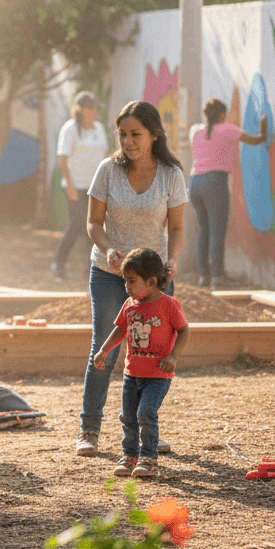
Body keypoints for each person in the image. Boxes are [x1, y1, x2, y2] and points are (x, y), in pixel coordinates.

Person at [77, 100, 186, 458]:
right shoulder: (107, 170)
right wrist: (108, 248)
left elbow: (176, 227)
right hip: (110, 274)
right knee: (104, 350)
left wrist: (170, 262)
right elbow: (93, 222)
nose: (128, 141)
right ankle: (89, 429)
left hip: (155, 279)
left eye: (136, 134)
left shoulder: (171, 174)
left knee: (155, 354)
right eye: (122, 134)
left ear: (154, 134)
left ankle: (147, 431)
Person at [93, 248, 190, 479]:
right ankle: (129, 456)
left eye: (132, 281)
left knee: (146, 412)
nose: (127, 286)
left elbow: (184, 330)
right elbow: (120, 328)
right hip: (131, 374)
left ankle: (148, 458)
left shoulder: (169, 305)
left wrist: (173, 356)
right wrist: (104, 349)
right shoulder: (130, 304)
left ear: (152, 281)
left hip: (157, 375)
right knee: (127, 416)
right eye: (125, 280)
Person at [188, 98, 268, 288]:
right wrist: (264, 129)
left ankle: (203, 276)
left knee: (203, 230)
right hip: (215, 182)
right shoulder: (227, 129)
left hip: (194, 183)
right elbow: (255, 140)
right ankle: (217, 277)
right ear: (222, 115)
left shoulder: (195, 131)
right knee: (217, 231)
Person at [52, 91, 107, 280]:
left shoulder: (99, 128)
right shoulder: (70, 129)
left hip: (95, 187)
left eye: (95, 108)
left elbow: (105, 155)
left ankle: (90, 269)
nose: (94, 112)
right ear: (81, 110)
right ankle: (58, 263)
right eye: (90, 108)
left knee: (93, 226)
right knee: (77, 224)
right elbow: (62, 159)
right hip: (75, 186)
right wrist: (69, 185)